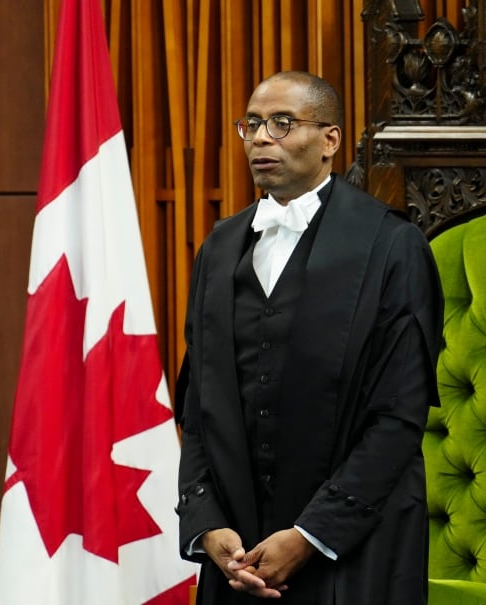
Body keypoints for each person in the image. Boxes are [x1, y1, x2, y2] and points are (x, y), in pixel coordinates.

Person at [175, 70, 444, 605]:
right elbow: (198, 406)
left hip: (354, 549)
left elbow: (398, 417)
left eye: (281, 123)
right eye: (251, 125)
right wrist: (207, 523)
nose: (260, 139)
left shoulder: (392, 247)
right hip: (238, 557)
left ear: (330, 140)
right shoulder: (220, 247)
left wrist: (310, 535)